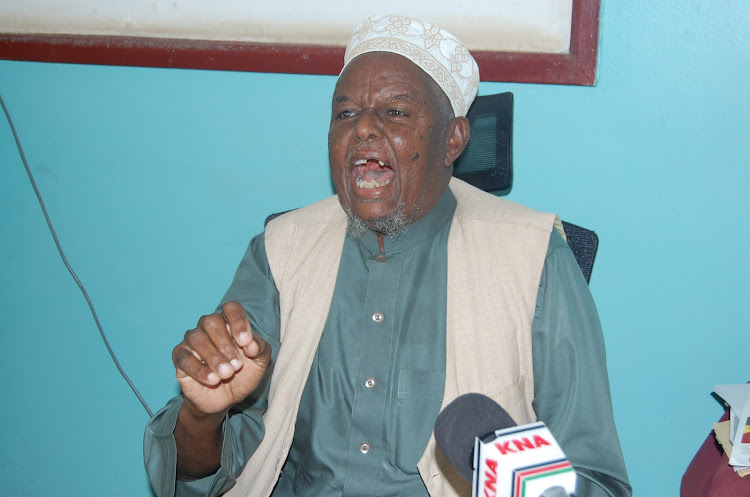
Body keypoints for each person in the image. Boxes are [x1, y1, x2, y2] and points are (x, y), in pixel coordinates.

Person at [144, 15, 631, 497]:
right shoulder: (281, 250)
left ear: (453, 140)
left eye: (395, 113)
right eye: (346, 113)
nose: (364, 131)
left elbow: (595, 481)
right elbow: (204, 468)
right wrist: (202, 417)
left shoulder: (534, 259)